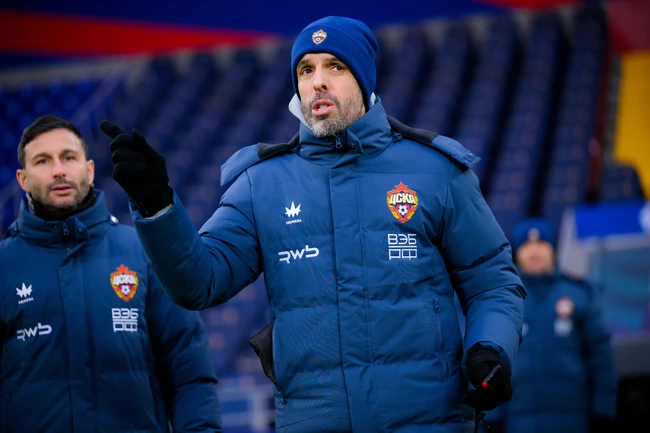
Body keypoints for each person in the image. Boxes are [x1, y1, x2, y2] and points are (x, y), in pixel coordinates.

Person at [100, 16, 527, 432]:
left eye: (334, 66)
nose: (317, 82)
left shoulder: (436, 171)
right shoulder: (260, 184)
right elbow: (199, 281)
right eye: (306, 70)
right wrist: (156, 203)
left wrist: (490, 347)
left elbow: (491, 282)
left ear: (363, 79)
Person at [0, 115, 222, 433]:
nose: (59, 170)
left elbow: (189, 370)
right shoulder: (4, 265)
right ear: (22, 179)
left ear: (89, 170)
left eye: (68, 157)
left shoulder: (144, 253)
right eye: (43, 161)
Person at [483, 217, 618, 433]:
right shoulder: (503, 300)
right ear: (516, 253)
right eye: (526, 245)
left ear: (553, 249)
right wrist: (491, 415)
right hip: (518, 423)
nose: (534, 251)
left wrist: (604, 408)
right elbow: (490, 360)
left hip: (573, 421)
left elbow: (601, 357)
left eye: (541, 243)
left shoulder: (579, 294)